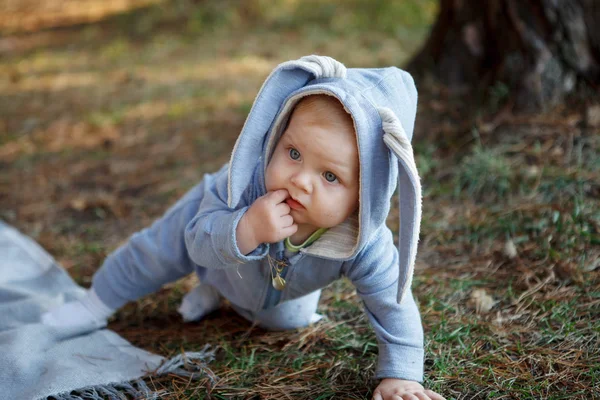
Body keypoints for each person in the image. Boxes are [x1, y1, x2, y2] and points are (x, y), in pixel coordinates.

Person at [42, 55, 445, 400]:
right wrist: (246, 228)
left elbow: (394, 303)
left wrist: (402, 373)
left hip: (273, 285)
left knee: (284, 320)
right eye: (293, 152)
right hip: (208, 228)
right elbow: (198, 243)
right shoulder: (236, 189)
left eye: (330, 176)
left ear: (366, 195)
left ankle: (217, 289)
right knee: (154, 255)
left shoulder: (363, 242)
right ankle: (94, 302)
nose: (300, 181)